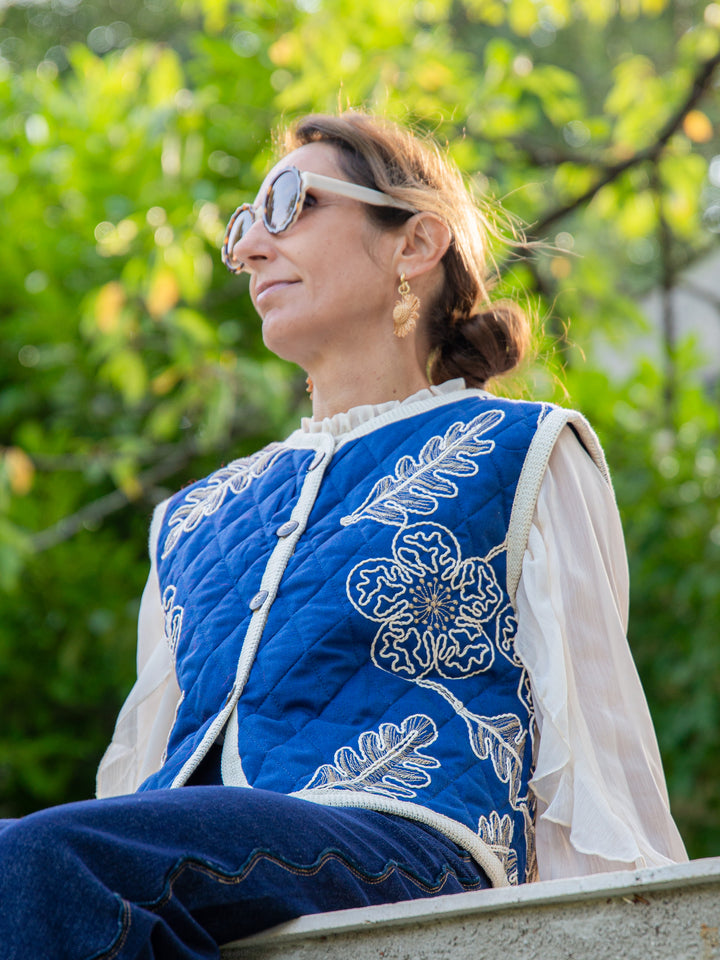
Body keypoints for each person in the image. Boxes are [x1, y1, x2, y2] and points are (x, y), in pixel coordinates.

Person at [0, 111, 687, 960]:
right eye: (242, 226)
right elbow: (135, 786)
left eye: (289, 204)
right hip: (191, 862)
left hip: (413, 842)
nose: (250, 248)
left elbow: (596, 743)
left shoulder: (523, 450)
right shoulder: (195, 514)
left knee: (38, 857)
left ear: (415, 243)